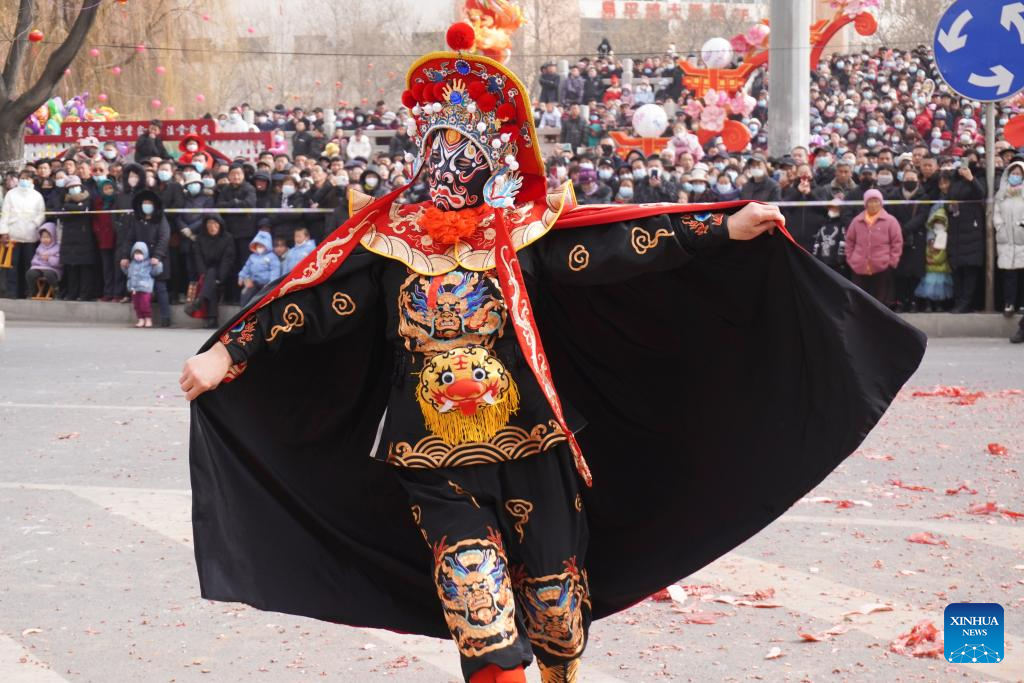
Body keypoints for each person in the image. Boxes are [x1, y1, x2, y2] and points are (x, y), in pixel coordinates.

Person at [180, 24, 924, 683]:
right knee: (479, 609)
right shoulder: (386, 243)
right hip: (432, 455)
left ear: (493, 165)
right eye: (435, 150)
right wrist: (227, 354)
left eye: (463, 153)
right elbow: (315, 303)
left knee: (557, 615)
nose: (446, 167)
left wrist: (720, 228)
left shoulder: (525, 238)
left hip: (531, 442)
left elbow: (619, 247)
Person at [119, 191, 171, 326]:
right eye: (144, 203)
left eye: (149, 203)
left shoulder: (161, 219)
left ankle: (166, 317)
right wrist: (125, 256)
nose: (146, 205)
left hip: (156, 259)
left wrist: (157, 256)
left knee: (160, 287)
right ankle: (142, 317)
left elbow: (164, 238)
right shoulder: (137, 220)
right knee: (139, 291)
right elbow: (129, 239)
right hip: (139, 260)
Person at [845, 189, 903, 306]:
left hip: (882, 267)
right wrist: (851, 259)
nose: (873, 204)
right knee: (860, 300)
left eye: (876, 201)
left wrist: (892, 262)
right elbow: (849, 241)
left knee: (880, 301)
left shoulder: (890, 221)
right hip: (859, 267)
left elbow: (897, 243)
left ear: (881, 203)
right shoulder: (856, 221)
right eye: (870, 201)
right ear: (865, 204)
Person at [944, 165, 985, 313]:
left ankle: (966, 302)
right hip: (955, 230)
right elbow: (947, 201)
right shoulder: (954, 182)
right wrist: (951, 206)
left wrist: (971, 179)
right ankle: (958, 301)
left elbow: (981, 194)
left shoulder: (979, 179)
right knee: (957, 269)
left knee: (970, 270)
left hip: (972, 231)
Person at [0, 169, 46, 298]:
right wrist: (4, 231)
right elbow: (5, 214)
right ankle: (12, 292)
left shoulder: (37, 196)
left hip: (30, 236)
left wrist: (34, 224)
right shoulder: (11, 194)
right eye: (22, 178)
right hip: (13, 235)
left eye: (27, 178)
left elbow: (41, 214)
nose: (24, 181)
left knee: (29, 265)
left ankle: (29, 291)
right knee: (12, 265)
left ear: (32, 180)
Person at [187, 214, 236, 329]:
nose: (212, 227)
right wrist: (203, 274)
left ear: (220, 225)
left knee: (212, 275)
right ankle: (212, 318)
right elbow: (198, 258)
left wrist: (220, 278)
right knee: (210, 277)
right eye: (209, 224)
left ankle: (201, 301)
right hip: (205, 273)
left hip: (223, 273)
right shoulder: (200, 238)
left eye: (215, 224)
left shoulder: (227, 238)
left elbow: (228, 260)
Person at [58, 176, 96, 301]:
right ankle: (72, 293)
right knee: (71, 267)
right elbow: (60, 212)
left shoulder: (87, 197)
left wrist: (68, 207)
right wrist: (72, 207)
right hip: (69, 239)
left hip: (84, 237)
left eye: (76, 186)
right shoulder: (62, 198)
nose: (74, 189)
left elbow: (83, 209)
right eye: (71, 187)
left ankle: (85, 294)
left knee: (85, 268)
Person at [994, 161, 1024, 316]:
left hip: (1021, 238)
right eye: (1013, 173)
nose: (1015, 176)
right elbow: (996, 213)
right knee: (1009, 274)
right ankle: (1009, 303)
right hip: (1006, 239)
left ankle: (1022, 304)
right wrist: (1000, 227)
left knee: (1022, 273)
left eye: (1019, 174)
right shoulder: (1001, 194)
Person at [915, 207, 954, 313]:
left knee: (940, 288)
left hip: (942, 268)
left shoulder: (945, 236)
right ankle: (928, 305)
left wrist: (936, 259)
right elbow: (926, 250)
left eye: (941, 222)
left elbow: (944, 253)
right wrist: (927, 258)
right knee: (928, 287)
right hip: (929, 268)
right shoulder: (929, 236)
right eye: (936, 222)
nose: (938, 224)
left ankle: (938, 306)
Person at [123, 241, 164, 328]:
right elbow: (128, 273)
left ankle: (148, 318)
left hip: (145, 288)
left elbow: (155, 272)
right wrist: (123, 266)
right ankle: (140, 319)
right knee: (136, 305)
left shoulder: (149, 263)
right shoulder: (132, 264)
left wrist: (158, 265)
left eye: (140, 253)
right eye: (136, 253)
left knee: (144, 304)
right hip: (134, 289)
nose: (138, 255)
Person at [236, 231, 281, 307]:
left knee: (262, 299)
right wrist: (241, 277)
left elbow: (275, 272)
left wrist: (271, 284)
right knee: (246, 294)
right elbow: (246, 268)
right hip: (254, 282)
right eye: (258, 245)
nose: (259, 247)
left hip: (266, 284)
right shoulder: (252, 257)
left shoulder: (272, 257)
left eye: (262, 245)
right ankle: (244, 312)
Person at [25, 222, 61, 298]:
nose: (45, 240)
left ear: (53, 237)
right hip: (39, 268)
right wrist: (40, 261)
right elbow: (34, 260)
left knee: (49, 274)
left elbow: (59, 262)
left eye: (47, 237)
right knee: (30, 273)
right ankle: (32, 291)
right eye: (43, 237)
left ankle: (56, 290)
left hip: (52, 269)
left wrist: (49, 259)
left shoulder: (57, 247)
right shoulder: (40, 247)